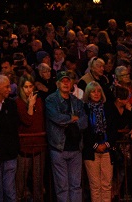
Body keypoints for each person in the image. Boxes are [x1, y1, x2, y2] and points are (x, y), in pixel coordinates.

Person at [45, 71, 87, 202]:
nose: (65, 83)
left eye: (68, 81)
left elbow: (84, 121)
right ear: (57, 84)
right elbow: (56, 118)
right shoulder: (50, 100)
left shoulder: (77, 101)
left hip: (75, 148)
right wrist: (72, 118)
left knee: (76, 186)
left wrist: (71, 121)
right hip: (59, 148)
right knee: (62, 187)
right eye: (62, 81)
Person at [15, 74, 46, 202]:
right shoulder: (18, 103)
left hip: (39, 146)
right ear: (21, 88)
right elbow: (27, 121)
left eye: (30, 86)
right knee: (21, 182)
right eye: (25, 87)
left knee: (38, 182)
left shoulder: (39, 101)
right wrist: (30, 106)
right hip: (24, 148)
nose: (28, 90)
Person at [81, 82, 112, 202]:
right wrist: (95, 145)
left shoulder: (108, 107)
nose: (96, 94)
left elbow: (113, 128)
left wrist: (106, 144)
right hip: (91, 151)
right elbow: (85, 130)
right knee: (95, 186)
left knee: (106, 185)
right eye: (93, 91)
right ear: (88, 94)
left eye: (98, 91)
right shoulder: (84, 108)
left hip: (107, 149)